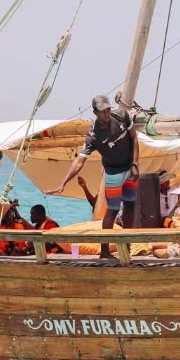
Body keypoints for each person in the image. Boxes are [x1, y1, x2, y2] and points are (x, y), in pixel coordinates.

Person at [54, 94, 139, 258]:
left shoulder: (122, 116)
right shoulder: (93, 136)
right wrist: (63, 183)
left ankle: (127, 248)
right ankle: (104, 252)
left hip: (130, 168)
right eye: (103, 111)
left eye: (108, 109)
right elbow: (79, 161)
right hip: (113, 172)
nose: (107, 113)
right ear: (95, 112)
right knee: (113, 209)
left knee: (130, 206)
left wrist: (135, 164)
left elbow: (134, 138)